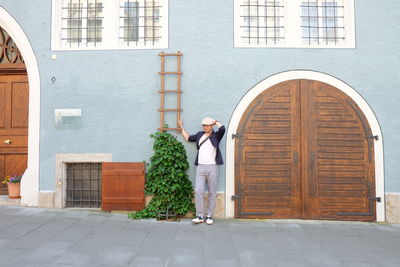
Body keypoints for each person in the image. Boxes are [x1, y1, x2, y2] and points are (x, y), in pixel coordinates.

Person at [178, 116, 225, 225]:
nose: (204, 127)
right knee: (198, 190)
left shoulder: (216, 135)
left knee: (212, 192)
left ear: (211, 126)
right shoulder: (200, 135)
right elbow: (188, 138)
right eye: (203, 125)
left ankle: (209, 216)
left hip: (212, 167)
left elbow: (222, 129)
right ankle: (200, 216)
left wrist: (216, 122)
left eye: (207, 125)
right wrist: (181, 126)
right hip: (200, 167)